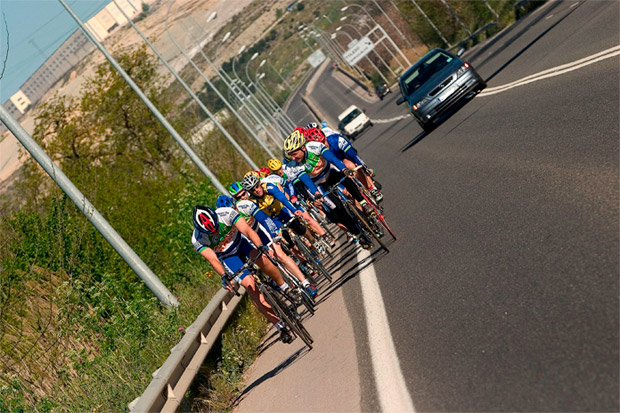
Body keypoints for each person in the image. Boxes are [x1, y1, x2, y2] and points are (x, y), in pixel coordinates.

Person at [191, 204, 294, 343]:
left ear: (216, 217)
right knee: (249, 285)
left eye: (215, 228)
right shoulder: (197, 239)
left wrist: (260, 246)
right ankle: (279, 326)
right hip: (227, 257)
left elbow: (247, 231)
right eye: (211, 233)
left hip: (241, 243)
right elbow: (213, 259)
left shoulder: (226, 213)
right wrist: (223, 275)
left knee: (262, 258)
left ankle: (284, 287)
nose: (215, 233)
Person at [283, 129, 374, 249]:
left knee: (345, 177)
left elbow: (332, 159)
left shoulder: (315, 146)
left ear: (303, 148)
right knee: (339, 211)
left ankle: (363, 202)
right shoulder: (295, 165)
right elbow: (306, 180)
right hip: (319, 185)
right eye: (291, 155)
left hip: (330, 172)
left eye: (294, 154)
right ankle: (358, 234)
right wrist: (315, 193)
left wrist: (343, 168)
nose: (293, 158)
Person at [219, 191, 318, 299]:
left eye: (234, 210)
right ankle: (282, 286)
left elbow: (264, 219)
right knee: (262, 262)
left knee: (280, 255)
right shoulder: (224, 225)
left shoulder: (245, 205)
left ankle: (305, 283)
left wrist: (274, 233)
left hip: (261, 232)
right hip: (248, 241)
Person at [309, 123, 383, 202]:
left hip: (342, 156)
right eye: (320, 145)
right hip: (332, 166)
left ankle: (371, 187)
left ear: (325, 137)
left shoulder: (335, 139)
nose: (324, 147)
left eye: (324, 143)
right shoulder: (315, 154)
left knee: (351, 166)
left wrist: (365, 168)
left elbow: (354, 155)